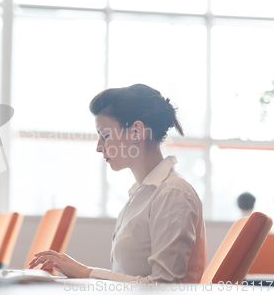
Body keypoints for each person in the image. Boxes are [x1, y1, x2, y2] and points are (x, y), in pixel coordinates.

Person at [28, 84, 206, 283]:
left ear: (137, 132)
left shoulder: (173, 194)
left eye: (105, 135)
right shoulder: (142, 194)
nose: (98, 147)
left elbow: (163, 286)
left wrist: (86, 272)